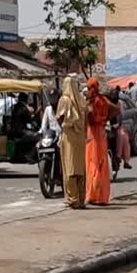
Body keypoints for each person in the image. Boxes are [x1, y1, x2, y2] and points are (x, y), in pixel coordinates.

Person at [84, 78, 118, 205]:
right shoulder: (103, 100)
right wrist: (105, 119)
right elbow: (116, 109)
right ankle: (102, 196)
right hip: (102, 133)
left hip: (93, 134)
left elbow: (91, 118)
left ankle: (92, 194)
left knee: (92, 163)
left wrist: (89, 112)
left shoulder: (92, 101)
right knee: (101, 163)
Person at [56, 76, 87, 209]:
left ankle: (72, 198)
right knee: (80, 168)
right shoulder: (81, 100)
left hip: (68, 137)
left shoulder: (64, 100)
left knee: (69, 168)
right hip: (80, 137)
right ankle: (81, 198)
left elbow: (59, 117)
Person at [10, 92, 38, 162]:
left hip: (14, 129)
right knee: (37, 137)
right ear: (25, 99)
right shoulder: (24, 109)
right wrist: (38, 127)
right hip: (20, 131)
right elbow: (31, 121)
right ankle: (30, 155)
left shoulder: (16, 106)